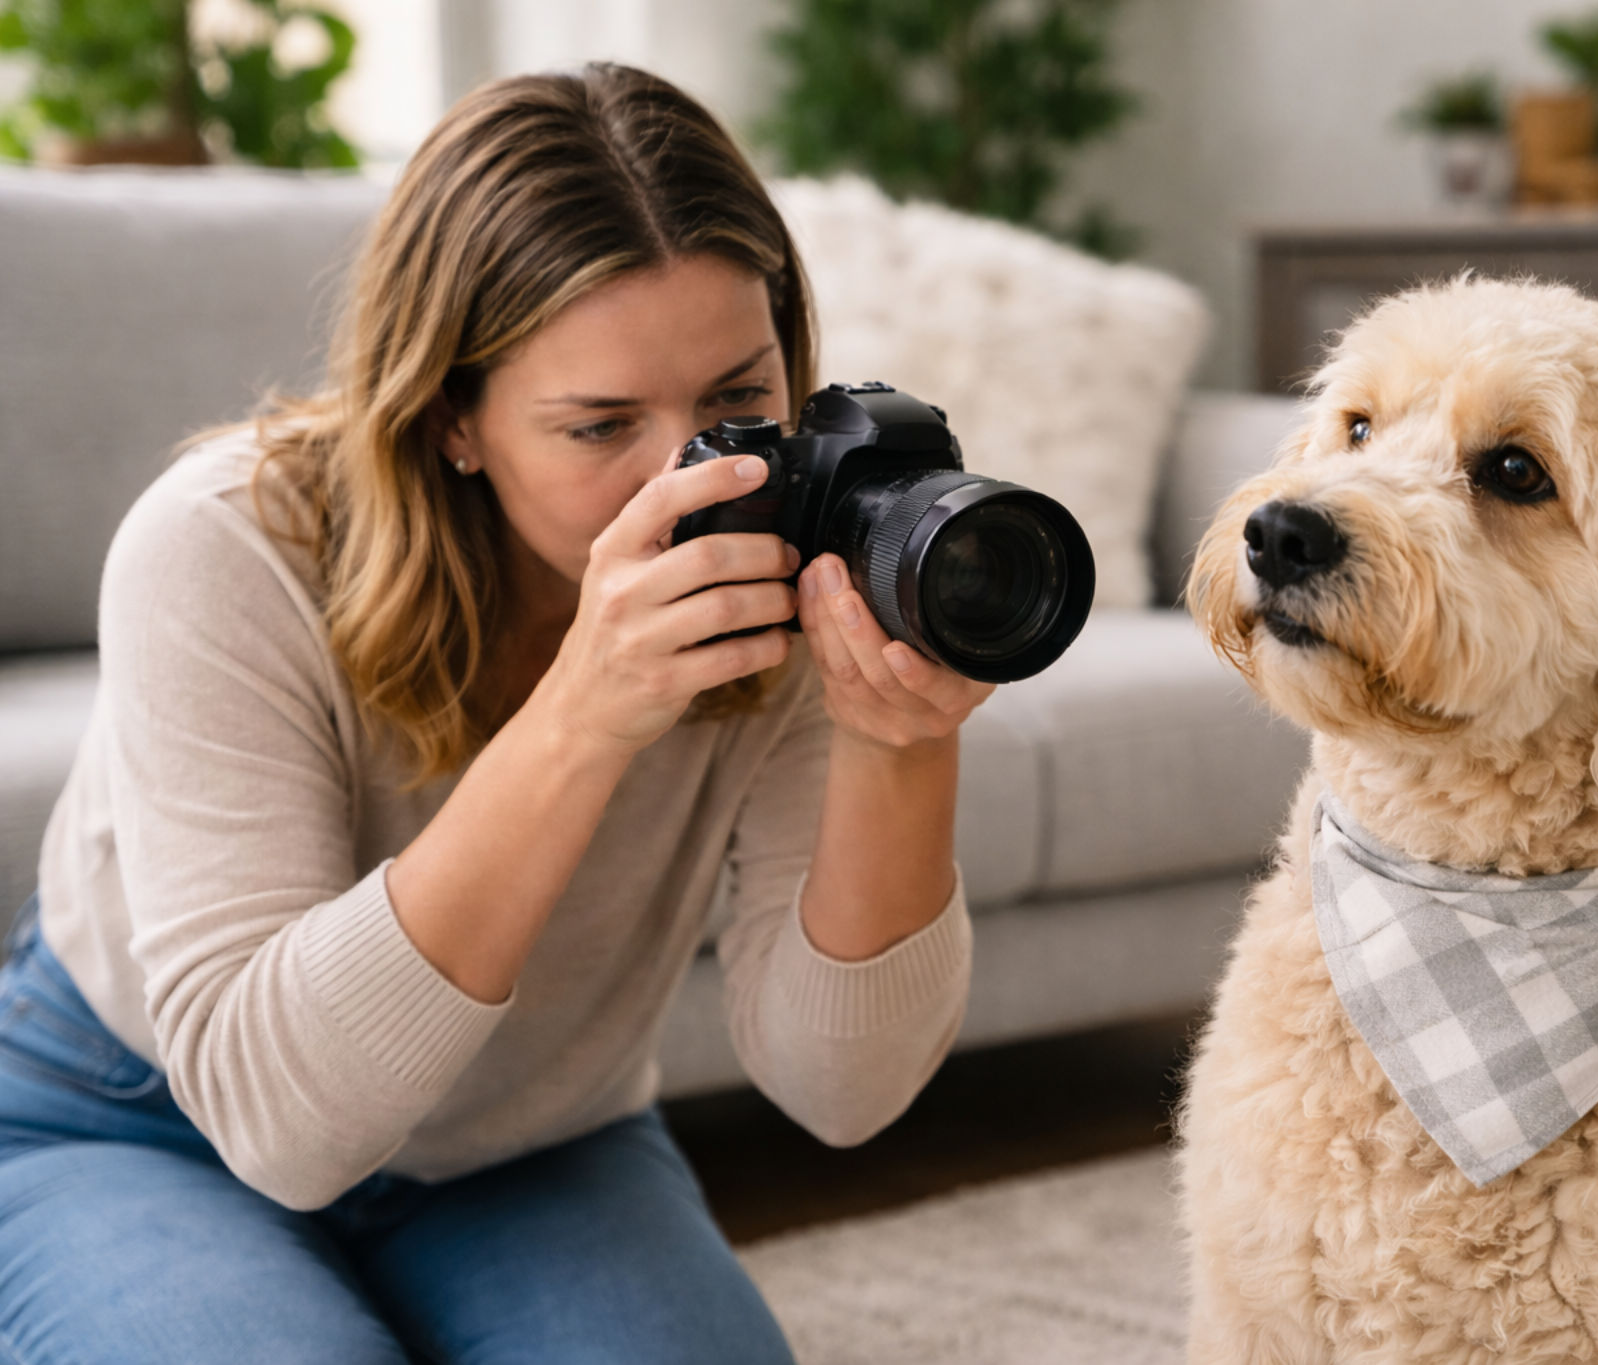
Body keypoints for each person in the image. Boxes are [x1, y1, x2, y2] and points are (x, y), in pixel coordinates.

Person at [0, 63, 990, 1361]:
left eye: (737, 400)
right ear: (451, 417)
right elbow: (280, 1125)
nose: (695, 478)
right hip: (147, 1113)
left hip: (527, 1132)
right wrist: (585, 715)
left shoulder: (795, 546)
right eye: (600, 425)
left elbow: (843, 1092)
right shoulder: (224, 547)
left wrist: (899, 743)